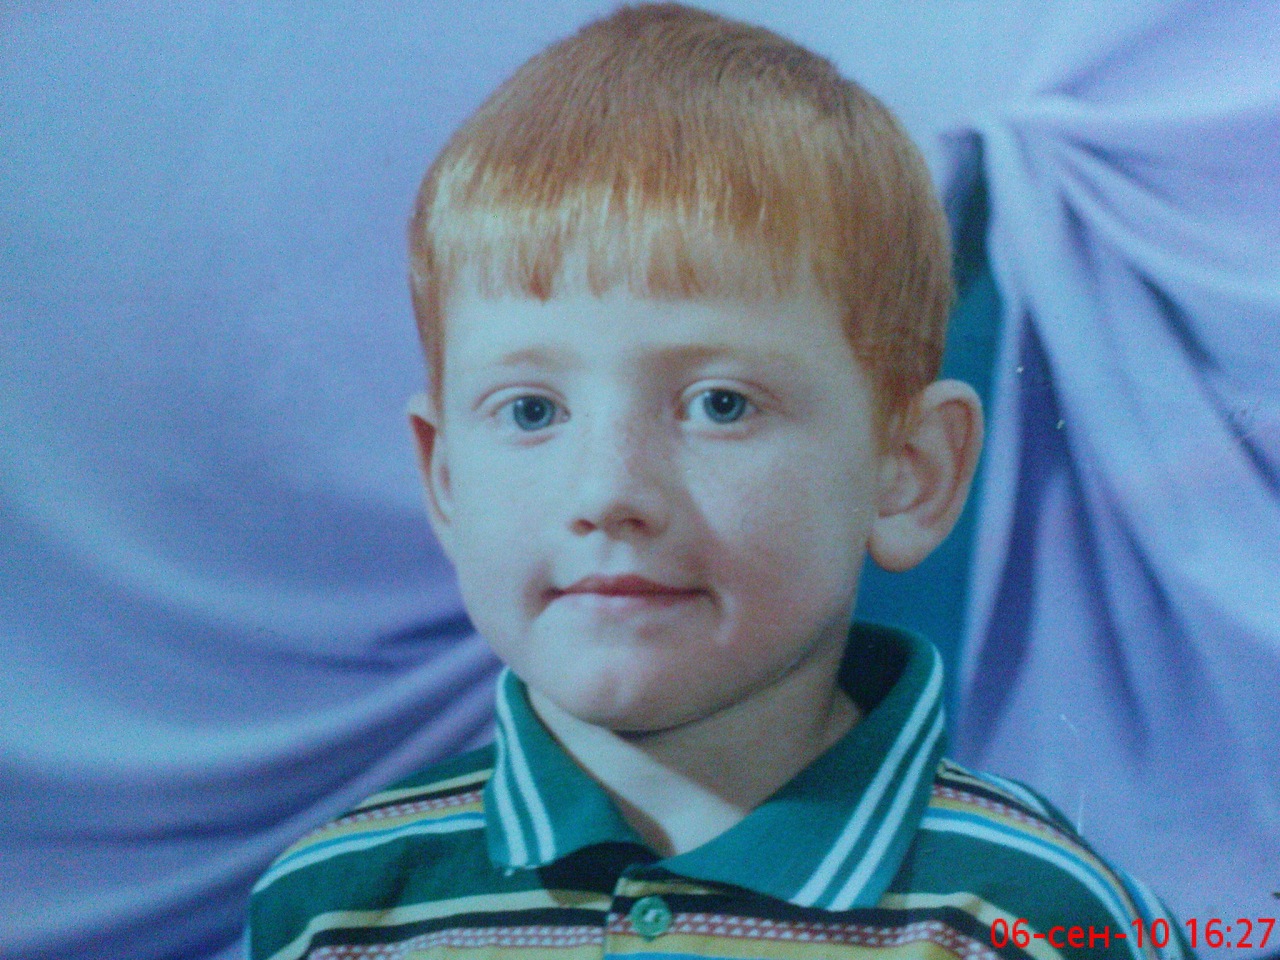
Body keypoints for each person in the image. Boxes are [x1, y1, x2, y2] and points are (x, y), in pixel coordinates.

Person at [248, 5, 1191, 958]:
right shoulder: (333, 909)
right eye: (531, 411)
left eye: (720, 405)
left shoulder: (1038, 918)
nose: (609, 492)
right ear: (445, 479)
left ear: (909, 474)